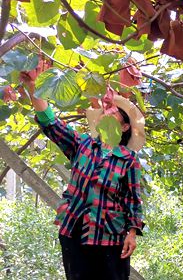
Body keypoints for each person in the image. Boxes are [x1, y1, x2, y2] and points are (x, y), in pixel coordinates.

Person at [21, 72, 145, 280]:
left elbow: (132, 199)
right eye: (106, 111)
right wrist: (34, 86)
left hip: (108, 235)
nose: (106, 114)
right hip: (74, 230)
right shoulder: (83, 145)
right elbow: (51, 123)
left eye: (113, 113)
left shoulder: (128, 160)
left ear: (124, 127)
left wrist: (132, 233)